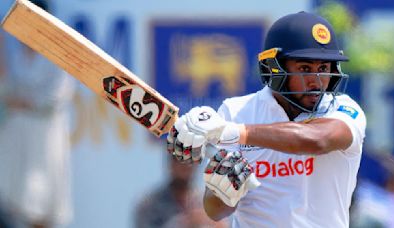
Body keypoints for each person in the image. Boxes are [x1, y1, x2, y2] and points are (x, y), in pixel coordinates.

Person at [167, 11, 366, 227]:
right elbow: (214, 211)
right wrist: (224, 190)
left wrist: (233, 132)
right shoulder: (236, 112)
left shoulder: (343, 109)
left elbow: (316, 140)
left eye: (323, 68)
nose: (316, 81)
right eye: (305, 69)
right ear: (276, 68)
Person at [0, 1, 75, 227]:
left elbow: (53, 100)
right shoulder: (14, 53)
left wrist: (21, 102)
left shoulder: (61, 55)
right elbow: (6, 90)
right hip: (17, 143)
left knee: (42, 209)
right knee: (14, 207)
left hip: (45, 143)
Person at [134, 155, 227, 228]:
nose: (186, 166)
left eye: (191, 161)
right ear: (171, 163)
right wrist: (185, 223)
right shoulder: (149, 204)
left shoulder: (204, 202)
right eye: (180, 160)